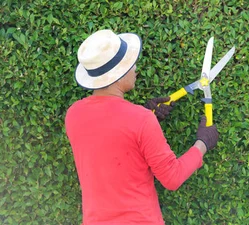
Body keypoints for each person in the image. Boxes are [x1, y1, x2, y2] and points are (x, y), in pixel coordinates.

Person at [65, 29, 219, 225]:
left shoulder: (74, 114)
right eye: (131, 64)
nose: (136, 68)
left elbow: (112, 142)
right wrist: (203, 143)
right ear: (119, 75)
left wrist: (143, 115)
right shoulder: (141, 120)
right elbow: (172, 177)